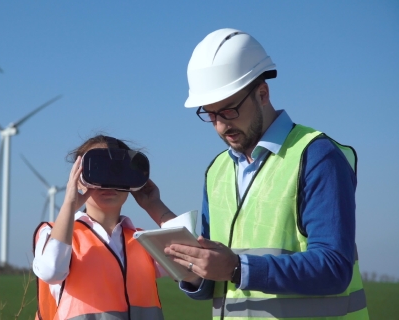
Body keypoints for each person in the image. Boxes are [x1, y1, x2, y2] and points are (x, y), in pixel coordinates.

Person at [142, 28, 369, 319]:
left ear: (262, 93)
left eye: (229, 111)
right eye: (210, 115)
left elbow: (335, 267)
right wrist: (194, 272)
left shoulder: (316, 156)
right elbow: (219, 277)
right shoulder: (217, 171)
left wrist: (238, 268)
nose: (221, 126)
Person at [32, 135, 178, 320]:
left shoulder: (143, 240)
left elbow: (191, 263)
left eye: (118, 171)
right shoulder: (52, 234)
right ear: (78, 177)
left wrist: (154, 205)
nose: (108, 183)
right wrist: (69, 203)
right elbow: (51, 272)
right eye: (99, 169)